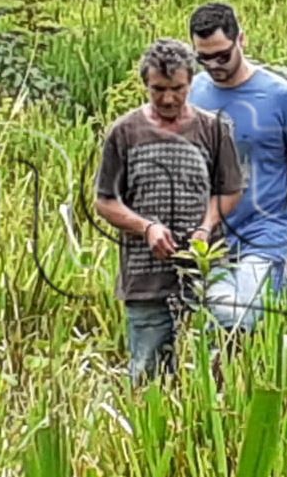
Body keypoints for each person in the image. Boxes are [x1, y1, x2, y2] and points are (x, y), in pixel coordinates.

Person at [94, 38, 244, 385]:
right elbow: (105, 201)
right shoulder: (124, 132)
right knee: (147, 374)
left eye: (177, 88)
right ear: (145, 84)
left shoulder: (214, 129)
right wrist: (146, 228)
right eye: (158, 89)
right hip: (145, 277)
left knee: (222, 355)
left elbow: (230, 191)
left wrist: (206, 226)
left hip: (206, 269)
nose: (168, 98)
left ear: (191, 82)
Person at [187, 1, 287, 335]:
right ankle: (226, 383)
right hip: (210, 235)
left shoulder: (282, 96)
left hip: (264, 232)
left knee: (242, 317)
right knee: (214, 328)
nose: (214, 65)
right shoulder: (192, 92)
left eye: (222, 55)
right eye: (203, 58)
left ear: (241, 41)